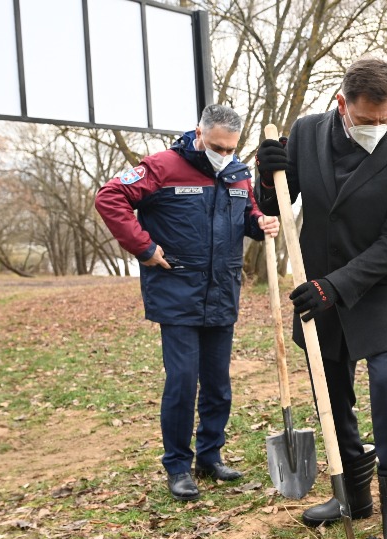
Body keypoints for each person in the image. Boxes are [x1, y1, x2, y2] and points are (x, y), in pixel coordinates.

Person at [255, 57, 387, 539]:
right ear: (342, 104)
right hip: (318, 283)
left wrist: (336, 286)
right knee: (331, 386)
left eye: (386, 118)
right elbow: (273, 209)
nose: (377, 127)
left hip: (378, 286)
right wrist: (268, 178)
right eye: (367, 118)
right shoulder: (307, 134)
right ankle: (352, 496)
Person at [95, 105, 280, 502]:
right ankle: (177, 465)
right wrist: (143, 247)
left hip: (222, 291)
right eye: (216, 146)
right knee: (182, 382)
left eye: (231, 148)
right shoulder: (162, 167)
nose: (223, 154)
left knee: (218, 384)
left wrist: (261, 222)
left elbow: (246, 214)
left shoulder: (237, 173)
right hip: (177, 291)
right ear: (199, 133)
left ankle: (210, 456)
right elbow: (110, 197)